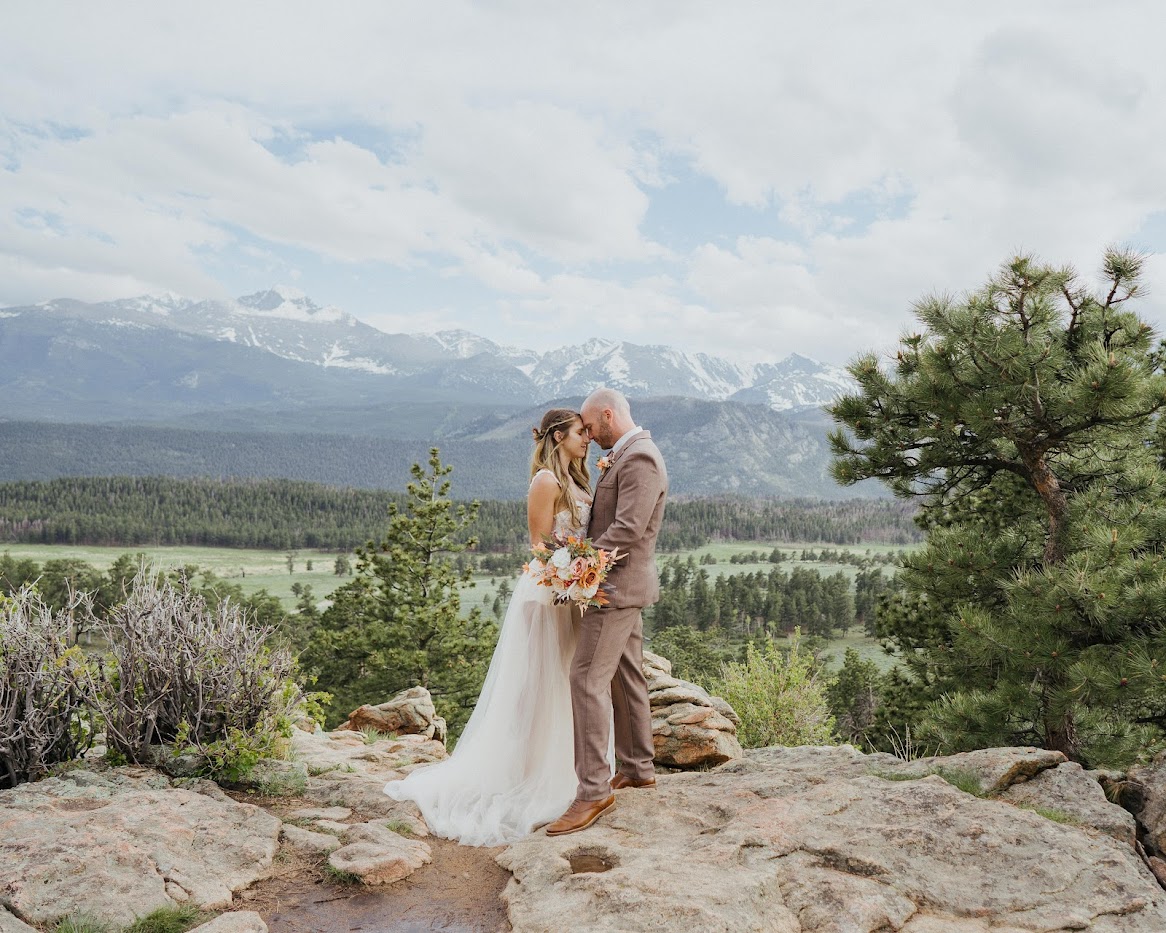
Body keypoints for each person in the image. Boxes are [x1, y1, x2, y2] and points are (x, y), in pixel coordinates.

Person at [383, 407, 595, 846]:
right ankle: (526, 776)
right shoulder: (546, 481)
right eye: (580, 432)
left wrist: (584, 574)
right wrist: (567, 573)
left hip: (573, 595)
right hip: (547, 594)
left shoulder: (578, 479)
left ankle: (566, 772)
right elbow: (539, 544)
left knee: (566, 681)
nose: (587, 438)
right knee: (538, 685)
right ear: (558, 436)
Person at [545, 387, 668, 837]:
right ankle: (636, 768)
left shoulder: (640, 458)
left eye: (592, 426)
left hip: (615, 587)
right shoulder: (627, 454)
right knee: (624, 674)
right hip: (618, 584)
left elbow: (628, 528)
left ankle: (593, 792)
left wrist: (577, 563)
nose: (590, 435)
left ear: (608, 415)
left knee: (585, 678)